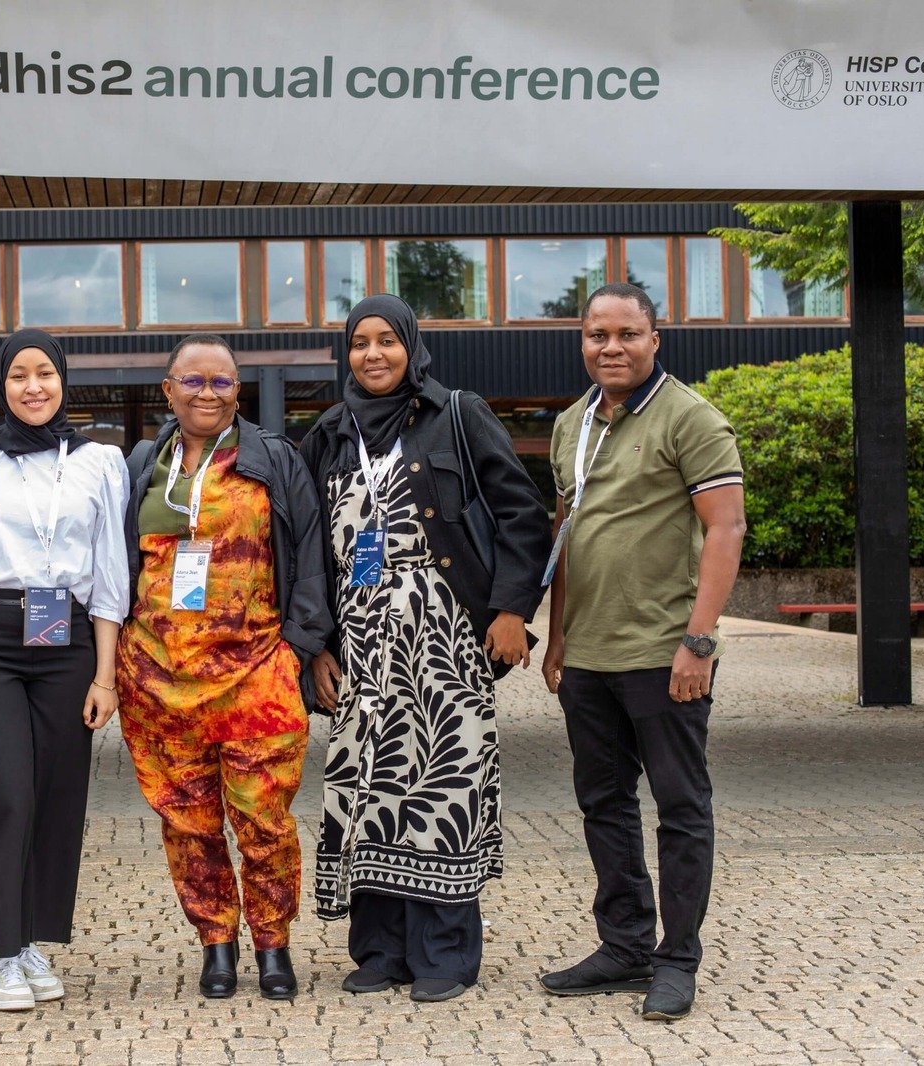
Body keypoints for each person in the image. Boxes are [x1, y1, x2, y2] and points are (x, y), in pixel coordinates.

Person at [301, 294, 551, 1004]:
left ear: (412, 346)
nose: (373, 354)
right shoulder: (326, 431)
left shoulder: (457, 414)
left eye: (387, 340)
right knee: (364, 785)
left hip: (443, 632)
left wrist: (510, 610)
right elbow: (306, 549)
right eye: (359, 343)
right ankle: (379, 950)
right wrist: (317, 645)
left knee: (443, 782)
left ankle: (443, 953)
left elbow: (519, 513)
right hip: (357, 636)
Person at [539, 283, 745, 1022]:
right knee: (603, 803)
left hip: (664, 653)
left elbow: (725, 529)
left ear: (655, 339)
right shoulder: (571, 424)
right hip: (588, 656)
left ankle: (676, 960)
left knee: (680, 806)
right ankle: (623, 947)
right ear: (582, 340)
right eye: (597, 334)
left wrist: (698, 640)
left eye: (627, 333)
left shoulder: (689, 417)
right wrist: (558, 634)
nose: (611, 347)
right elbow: (565, 534)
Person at [0, 328, 129, 1011]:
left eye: (44, 373)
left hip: (66, 639)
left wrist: (105, 674)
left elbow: (108, 574)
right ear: (0, 384)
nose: (32, 386)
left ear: (63, 381)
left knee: (57, 794)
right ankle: (2, 955)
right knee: (5, 791)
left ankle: (33, 939)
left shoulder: (99, 462)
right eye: (18, 375)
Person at [117, 335, 331, 1000]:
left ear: (236, 389)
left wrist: (299, 642)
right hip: (155, 681)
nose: (206, 393)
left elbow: (309, 551)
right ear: (168, 389)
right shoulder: (141, 463)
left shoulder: (272, 458)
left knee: (263, 820)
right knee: (187, 823)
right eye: (193, 381)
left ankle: (273, 945)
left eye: (220, 381)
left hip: (254, 675)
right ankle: (215, 943)